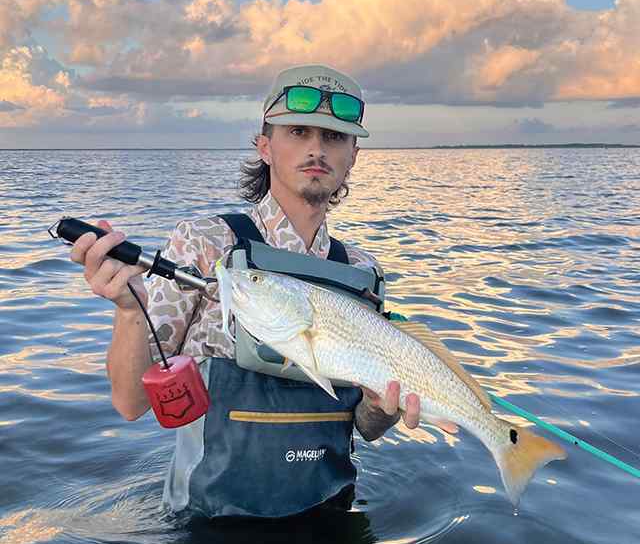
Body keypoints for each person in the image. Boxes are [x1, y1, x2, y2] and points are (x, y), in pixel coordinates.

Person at [71, 64, 421, 518]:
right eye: (298, 131)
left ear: (353, 155)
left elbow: (365, 426)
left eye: (334, 137)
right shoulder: (204, 242)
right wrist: (128, 309)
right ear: (265, 147)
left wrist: (382, 409)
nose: (316, 148)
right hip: (210, 523)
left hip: (331, 513)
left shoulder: (361, 271)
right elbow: (131, 402)